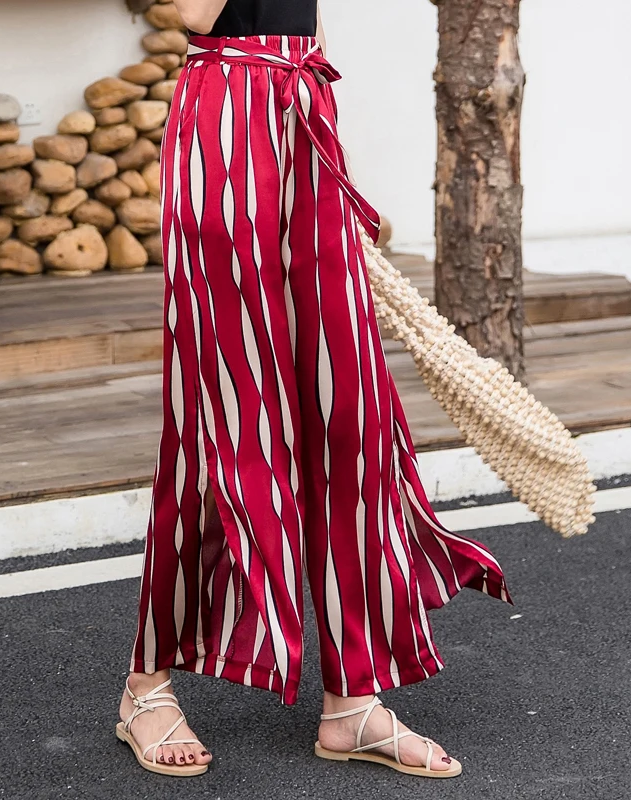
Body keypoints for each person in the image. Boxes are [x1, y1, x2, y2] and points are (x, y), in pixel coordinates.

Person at [116, 0, 510, 779]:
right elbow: (194, 11)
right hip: (225, 118)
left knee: (348, 412)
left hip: (304, 107)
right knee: (224, 413)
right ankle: (145, 686)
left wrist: (328, 139)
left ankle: (351, 703)